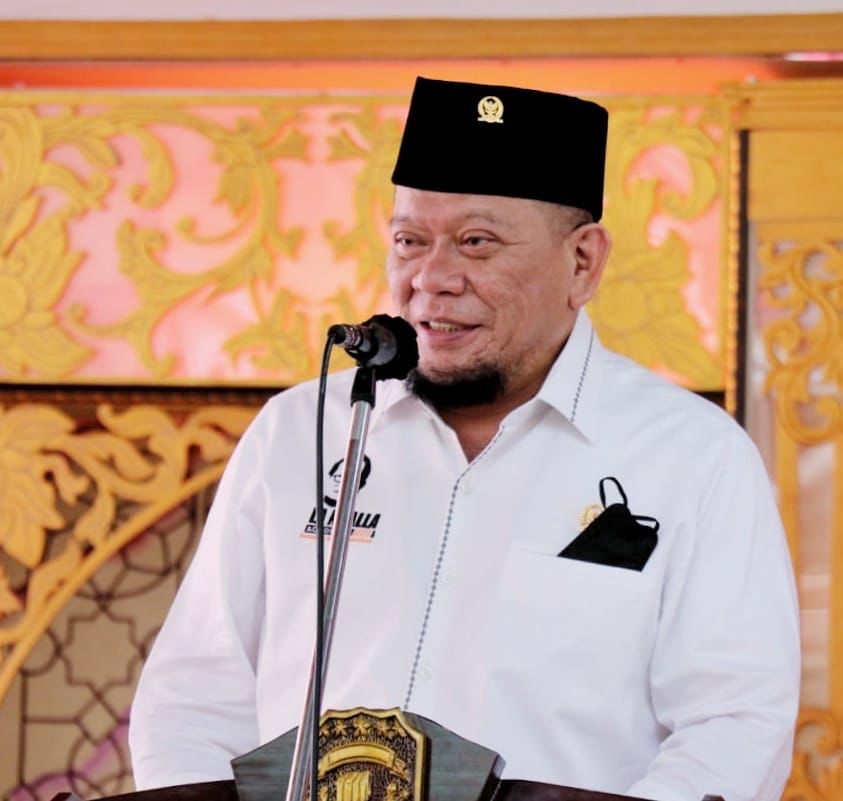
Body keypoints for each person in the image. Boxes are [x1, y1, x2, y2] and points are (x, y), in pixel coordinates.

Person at [129, 76, 800, 801]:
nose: (432, 278)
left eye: (477, 243)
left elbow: (734, 725)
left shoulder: (693, 456)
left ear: (583, 262)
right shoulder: (300, 432)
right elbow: (194, 695)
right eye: (409, 241)